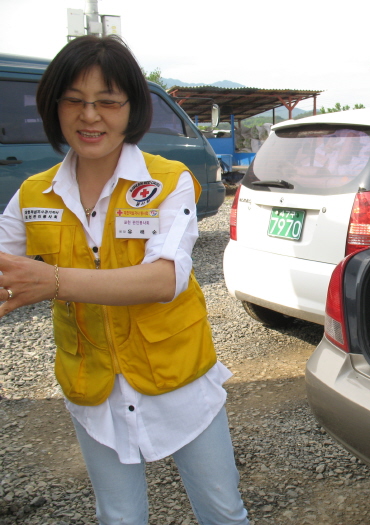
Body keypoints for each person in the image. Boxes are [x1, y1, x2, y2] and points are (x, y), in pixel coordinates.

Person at [0, 35, 249, 525]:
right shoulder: (35, 193)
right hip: (92, 387)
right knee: (117, 516)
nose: (89, 116)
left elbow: (164, 279)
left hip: (178, 381)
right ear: (54, 107)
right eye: (73, 100)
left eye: (107, 102)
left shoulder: (168, 180)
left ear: (131, 109)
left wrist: (51, 281)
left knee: (222, 511)